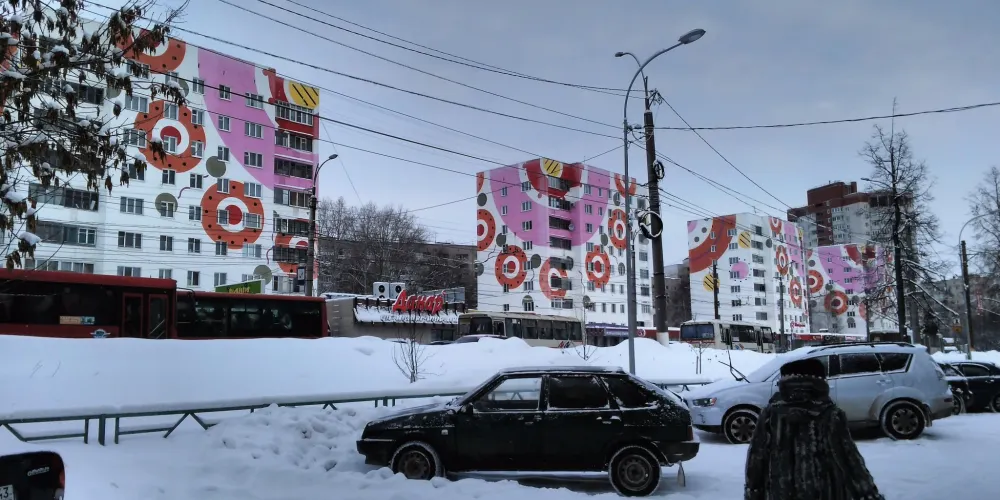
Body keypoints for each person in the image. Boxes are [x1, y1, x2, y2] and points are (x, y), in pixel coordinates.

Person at [744, 357, 884, 500]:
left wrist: (753, 492)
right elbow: (849, 459)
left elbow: (757, 458)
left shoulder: (770, 415)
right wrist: (868, 493)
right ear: (820, 383)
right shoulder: (830, 415)